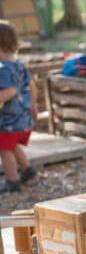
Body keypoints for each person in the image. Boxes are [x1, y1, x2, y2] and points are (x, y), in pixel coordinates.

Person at [0, 20, 37, 193]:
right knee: (13, 145)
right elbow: (32, 85)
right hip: (23, 117)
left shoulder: (3, 68)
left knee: (4, 148)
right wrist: (34, 105)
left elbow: (11, 91)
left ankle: (12, 181)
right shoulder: (19, 64)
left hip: (10, 119)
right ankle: (28, 170)